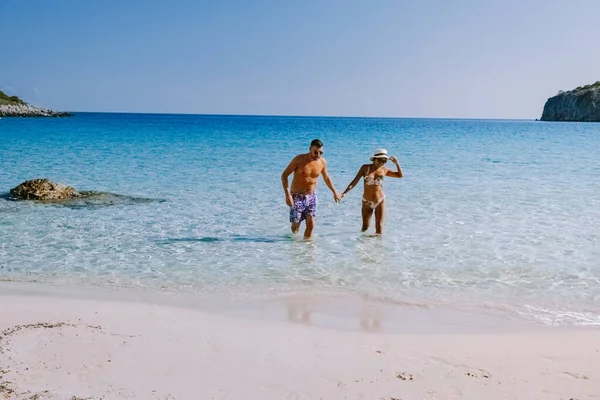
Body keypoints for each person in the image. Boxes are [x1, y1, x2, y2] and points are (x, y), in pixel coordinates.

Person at [281, 139, 342, 239]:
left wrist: (335, 192)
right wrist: (288, 195)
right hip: (296, 197)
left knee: (311, 225)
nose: (318, 155)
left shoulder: (322, 162)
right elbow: (284, 176)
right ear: (310, 149)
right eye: (315, 152)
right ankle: (294, 246)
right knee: (296, 226)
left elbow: (326, 178)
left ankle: (307, 249)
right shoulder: (299, 159)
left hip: (312, 196)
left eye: (320, 153)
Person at [341, 149, 403, 235]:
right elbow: (355, 181)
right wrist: (344, 193)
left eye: (384, 161)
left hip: (380, 200)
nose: (382, 162)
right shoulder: (365, 168)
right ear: (374, 159)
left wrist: (396, 163)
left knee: (379, 227)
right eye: (380, 160)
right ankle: (362, 245)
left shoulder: (384, 170)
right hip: (367, 201)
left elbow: (400, 175)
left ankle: (378, 247)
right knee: (365, 227)